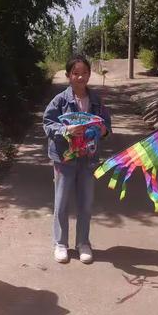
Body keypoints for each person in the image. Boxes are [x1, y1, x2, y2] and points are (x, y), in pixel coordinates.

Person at [43, 55, 111, 264]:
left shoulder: (97, 101)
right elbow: (47, 124)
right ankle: (60, 243)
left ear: (89, 75)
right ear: (68, 76)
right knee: (61, 202)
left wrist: (102, 129)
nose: (80, 77)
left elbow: (107, 127)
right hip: (64, 159)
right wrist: (66, 130)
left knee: (86, 203)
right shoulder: (60, 100)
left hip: (88, 159)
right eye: (76, 73)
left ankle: (83, 243)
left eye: (84, 73)